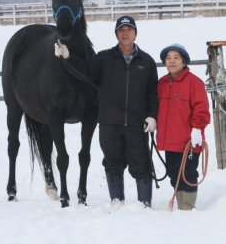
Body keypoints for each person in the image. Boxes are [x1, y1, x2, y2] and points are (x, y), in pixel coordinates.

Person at [54, 15, 158, 208]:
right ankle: (117, 202)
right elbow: (84, 71)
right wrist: (68, 57)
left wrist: (152, 116)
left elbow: (153, 94)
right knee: (112, 164)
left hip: (137, 124)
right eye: (121, 30)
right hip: (110, 123)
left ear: (135, 33)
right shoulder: (104, 58)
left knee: (141, 165)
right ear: (116, 34)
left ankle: (144, 204)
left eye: (129, 30)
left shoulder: (148, 62)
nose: (125, 34)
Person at [156, 43, 210, 210]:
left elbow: (201, 109)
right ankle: (181, 204)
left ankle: (187, 206)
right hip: (170, 141)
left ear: (184, 61)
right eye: (168, 58)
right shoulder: (162, 83)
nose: (172, 61)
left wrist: (197, 129)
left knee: (188, 174)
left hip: (189, 141)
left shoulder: (195, 83)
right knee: (174, 174)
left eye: (176, 57)